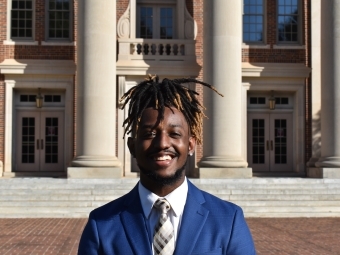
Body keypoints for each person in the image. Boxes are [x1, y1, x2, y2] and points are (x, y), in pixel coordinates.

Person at [78, 75, 256, 255]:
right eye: (149, 134)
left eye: (175, 134)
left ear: (191, 145)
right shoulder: (101, 224)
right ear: (132, 147)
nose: (162, 143)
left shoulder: (228, 219)